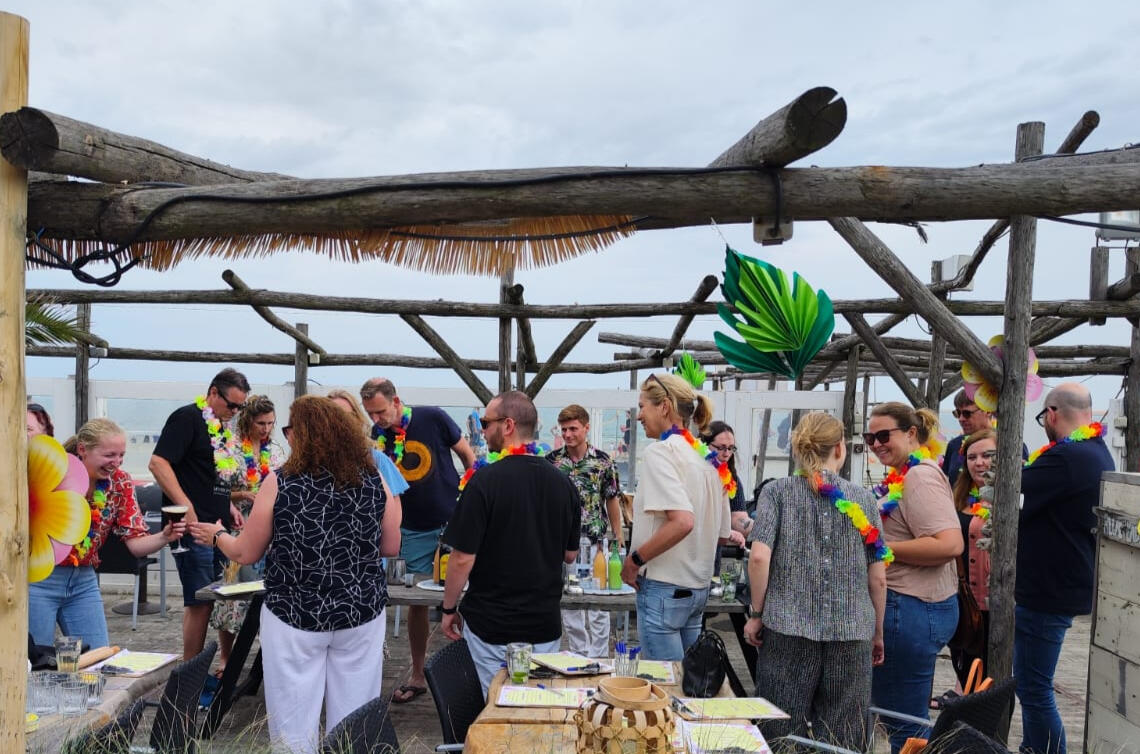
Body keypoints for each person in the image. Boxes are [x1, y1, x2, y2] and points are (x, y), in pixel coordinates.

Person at [190, 395, 400, 754]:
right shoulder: (374, 478)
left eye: (291, 428)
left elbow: (247, 552)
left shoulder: (281, 481)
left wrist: (217, 535)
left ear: (305, 434)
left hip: (294, 614)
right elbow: (391, 545)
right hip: (360, 612)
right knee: (353, 720)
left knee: (292, 722)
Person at [743, 412, 887, 750]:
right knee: (843, 733)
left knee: (780, 726)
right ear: (840, 448)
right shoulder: (864, 500)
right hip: (851, 633)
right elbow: (878, 576)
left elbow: (759, 557)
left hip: (787, 630)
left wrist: (756, 613)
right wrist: (877, 631)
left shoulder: (776, 493)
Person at [439, 391, 581, 694]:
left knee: (494, 706)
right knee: (538, 709)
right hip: (543, 625)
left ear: (508, 425)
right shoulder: (563, 483)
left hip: (491, 626)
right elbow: (570, 555)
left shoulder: (484, 482)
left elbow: (462, 557)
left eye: (485, 422)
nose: (481, 429)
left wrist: (448, 608)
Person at [360, 378, 475, 704]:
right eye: (370, 413)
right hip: (411, 527)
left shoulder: (432, 417)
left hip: (453, 521)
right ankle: (418, 673)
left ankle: (470, 671)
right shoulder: (378, 436)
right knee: (416, 602)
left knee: (468, 594)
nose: (377, 419)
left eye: (380, 411)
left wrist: (469, 498)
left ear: (396, 400)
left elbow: (467, 454)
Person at [1016, 383, 1113, 754]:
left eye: (1044, 417)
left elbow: (1012, 491)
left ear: (1052, 414)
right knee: (1034, 685)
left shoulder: (1067, 458)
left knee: (1034, 689)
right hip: (1065, 583)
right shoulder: (1098, 453)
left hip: (1047, 590)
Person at [30, 418, 185, 649]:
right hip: (39, 580)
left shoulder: (120, 482)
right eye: (109, 455)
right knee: (33, 663)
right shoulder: (53, 474)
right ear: (83, 450)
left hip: (83, 580)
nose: (117, 462)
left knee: (99, 659)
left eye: (121, 455)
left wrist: (164, 536)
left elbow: (136, 544)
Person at [866, 402, 963, 753]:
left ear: (910, 434)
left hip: (909, 609)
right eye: (870, 437)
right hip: (912, 608)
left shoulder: (919, 476)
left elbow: (950, 543)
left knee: (903, 726)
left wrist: (882, 547)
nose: (876, 443)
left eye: (883, 435)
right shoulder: (904, 475)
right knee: (904, 721)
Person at [620, 373, 733, 660]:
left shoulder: (661, 453)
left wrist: (634, 561)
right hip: (698, 589)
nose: (639, 416)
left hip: (663, 586)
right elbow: (721, 535)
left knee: (667, 687)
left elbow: (683, 521)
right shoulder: (710, 460)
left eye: (642, 406)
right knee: (690, 685)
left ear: (664, 407)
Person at [149, 367, 250, 661]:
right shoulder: (187, 418)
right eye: (231, 404)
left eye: (240, 407)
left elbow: (210, 475)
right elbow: (158, 463)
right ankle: (189, 673)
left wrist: (227, 504)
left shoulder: (219, 426)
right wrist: (186, 506)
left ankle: (209, 665)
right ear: (213, 393)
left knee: (220, 597)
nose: (235, 411)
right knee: (200, 600)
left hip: (217, 525)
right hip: (192, 528)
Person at [208, 395, 286, 685]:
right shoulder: (230, 449)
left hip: (270, 529)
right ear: (247, 420)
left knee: (266, 594)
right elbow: (215, 490)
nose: (266, 429)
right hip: (238, 524)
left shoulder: (276, 451)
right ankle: (227, 657)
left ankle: (267, 659)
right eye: (260, 423)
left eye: (270, 423)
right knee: (233, 592)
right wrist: (242, 495)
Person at [547, 403, 623, 658]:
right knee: (570, 600)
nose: (568, 434)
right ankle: (579, 653)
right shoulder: (552, 462)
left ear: (586, 428)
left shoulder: (603, 462)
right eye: (564, 429)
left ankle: (599, 655)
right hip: (563, 544)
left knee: (598, 601)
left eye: (573, 429)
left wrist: (618, 533)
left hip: (596, 541)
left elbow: (611, 498)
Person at [942, 428, 996, 700]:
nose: (979, 462)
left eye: (987, 455)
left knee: (989, 678)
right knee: (964, 668)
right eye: (972, 457)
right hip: (960, 599)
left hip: (992, 602)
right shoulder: (957, 497)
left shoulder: (1008, 498)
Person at [327, 388, 410, 499]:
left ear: (357, 418)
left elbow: (394, 513)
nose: (340, 421)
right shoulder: (311, 461)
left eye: (347, 415)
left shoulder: (377, 459)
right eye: (332, 415)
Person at [700, 421, 752, 539]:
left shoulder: (731, 478)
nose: (727, 454)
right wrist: (725, 531)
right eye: (721, 448)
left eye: (731, 448)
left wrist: (760, 529)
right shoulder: (692, 473)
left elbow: (738, 517)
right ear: (704, 445)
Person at [940, 390, 993, 487]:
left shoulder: (1007, 445)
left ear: (987, 411)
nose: (961, 419)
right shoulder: (954, 445)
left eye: (967, 413)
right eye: (957, 413)